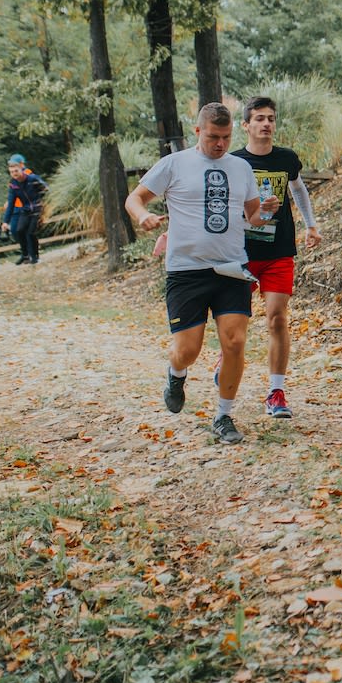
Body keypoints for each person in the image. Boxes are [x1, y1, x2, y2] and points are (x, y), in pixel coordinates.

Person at [125, 102, 267, 446]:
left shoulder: (240, 167)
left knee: (235, 342)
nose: (220, 144)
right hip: (186, 271)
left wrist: (266, 211)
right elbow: (134, 198)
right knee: (188, 350)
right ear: (198, 131)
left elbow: (253, 217)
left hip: (231, 267)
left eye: (226, 137)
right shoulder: (174, 164)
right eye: (214, 137)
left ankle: (224, 415)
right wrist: (142, 216)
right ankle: (177, 374)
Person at [229, 96, 323, 420]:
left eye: (270, 118)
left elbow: (298, 190)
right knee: (235, 324)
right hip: (240, 252)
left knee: (277, 318)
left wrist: (311, 225)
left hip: (279, 251)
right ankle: (225, 361)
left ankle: (276, 391)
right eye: (259, 119)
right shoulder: (233, 162)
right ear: (246, 125)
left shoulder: (286, 158)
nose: (266, 124)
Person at [3, 154, 48, 265]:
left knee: (30, 232)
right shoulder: (13, 184)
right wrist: (5, 221)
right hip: (25, 209)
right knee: (19, 231)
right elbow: (11, 203)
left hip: (36, 208)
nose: (14, 174)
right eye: (12, 172)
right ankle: (25, 255)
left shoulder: (32, 178)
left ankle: (35, 256)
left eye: (16, 171)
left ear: (21, 168)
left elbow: (46, 189)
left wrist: (43, 203)